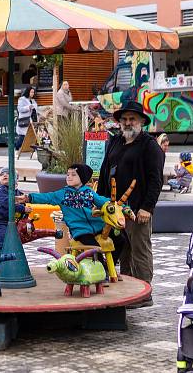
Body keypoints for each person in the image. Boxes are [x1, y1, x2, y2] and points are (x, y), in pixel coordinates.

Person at [96, 101, 164, 306]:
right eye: (124, 119)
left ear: (142, 121)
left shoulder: (149, 146)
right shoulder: (115, 142)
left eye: (132, 119)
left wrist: (147, 207)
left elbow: (156, 180)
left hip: (137, 209)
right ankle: (128, 292)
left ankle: (144, 292)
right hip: (114, 209)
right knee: (123, 250)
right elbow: (105, 171)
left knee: (139, 249)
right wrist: (100, 202)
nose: (127, 122)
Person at [18, 164, 108, 247]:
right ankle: (101, 263)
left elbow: (102, 201)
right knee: (95, 249)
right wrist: (28, 198)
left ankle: (112, 263)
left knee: (119, 239)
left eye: (73, 175)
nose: (69, 177)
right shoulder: (63, 194)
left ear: (82, 177)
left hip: (98, 225)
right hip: (80, 230)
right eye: (68, 174)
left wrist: (117, 205)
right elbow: (47, 197)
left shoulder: (88, 192)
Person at [0, 168, 30, 250]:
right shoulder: (1, 190)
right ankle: (0, 255)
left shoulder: (17, 192)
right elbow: (7, 203)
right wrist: (23, 208)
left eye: (8, 173)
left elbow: (22, 200)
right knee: (2, 239)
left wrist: (25, 204)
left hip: (10, 221)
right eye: (2, 174)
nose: (4, 175)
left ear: (15, 179)